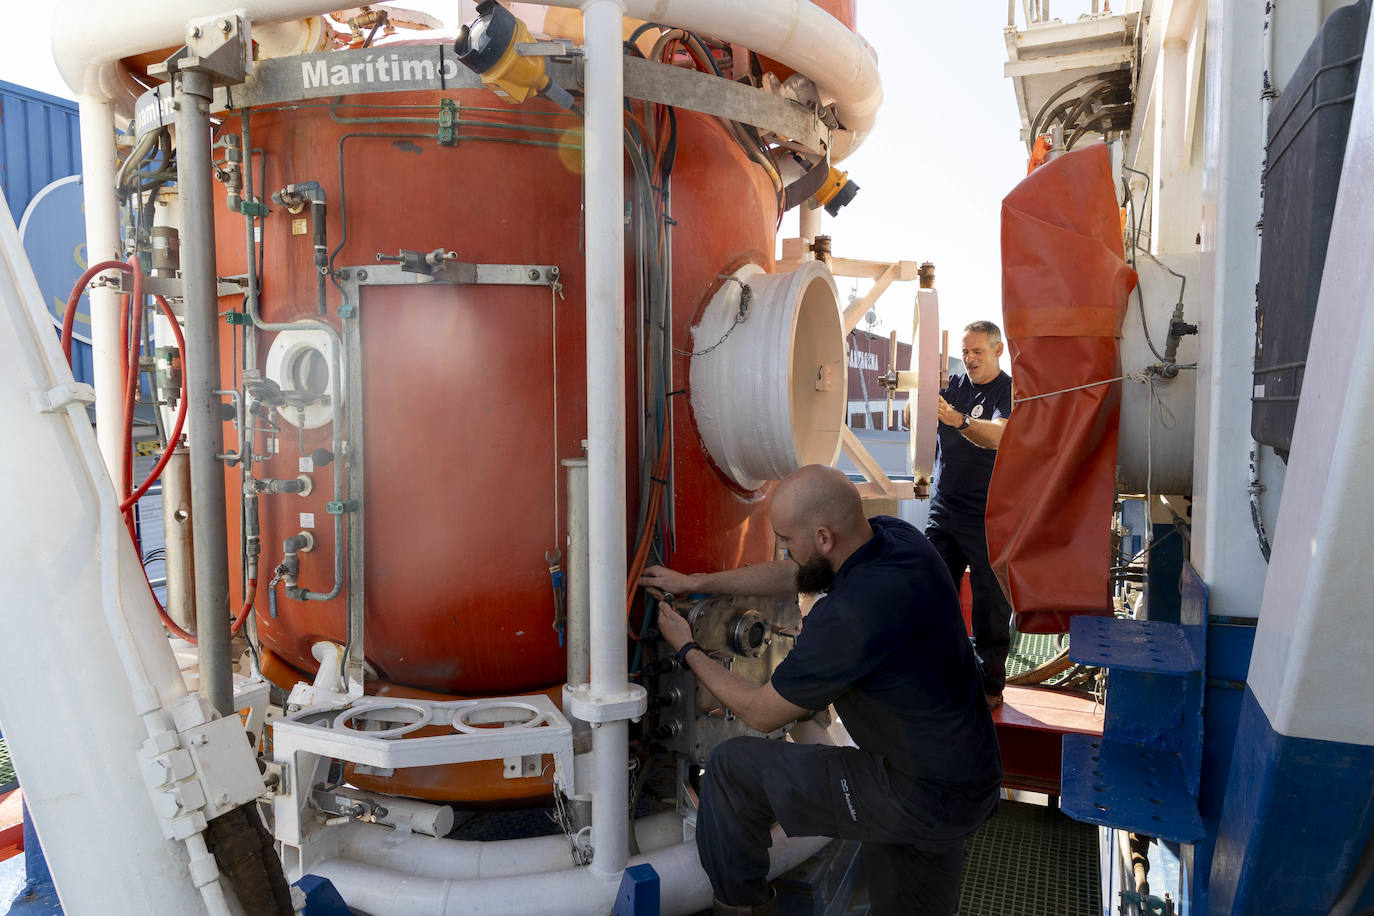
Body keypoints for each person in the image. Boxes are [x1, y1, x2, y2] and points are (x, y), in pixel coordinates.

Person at [642, 465, 1001, 915]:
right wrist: (694, 584)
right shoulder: (897, 540)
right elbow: (795, 575)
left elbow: (761, 711)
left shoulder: (850, 617)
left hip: (914, 792)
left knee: (732, 769)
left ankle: (739, 909)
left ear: (823, 538)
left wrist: (687, 648)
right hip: (967, 775)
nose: (783, 549)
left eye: (787, 539)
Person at [927, 320, 1014, 706]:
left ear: (998, 350)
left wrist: (958, 421)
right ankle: (936, 672)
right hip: (944, 509)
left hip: (987, 513)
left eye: (977, 351)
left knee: (989, 600)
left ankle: (989, 685)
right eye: (965, 351)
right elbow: (918, 422)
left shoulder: (1008, 391)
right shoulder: (953, 387)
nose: (970, 358)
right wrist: (922, 397)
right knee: (930, 590)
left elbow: (999, 436)